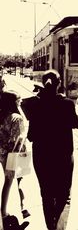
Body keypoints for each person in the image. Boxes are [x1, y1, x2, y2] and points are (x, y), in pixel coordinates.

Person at [21, 69, 78, 230]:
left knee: (46, 194)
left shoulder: (35, 104)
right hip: (63, 156)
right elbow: (77, 123)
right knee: (64, 196)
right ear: (59, 84)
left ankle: (51, 227)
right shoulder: (67, 104)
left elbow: (31, 136)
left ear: (43, 84)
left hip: (42, 157)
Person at [0, 91, 29, 220]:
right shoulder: (16, 118)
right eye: (18, 99)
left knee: (12, 180)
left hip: (3, 153)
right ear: (12, 101)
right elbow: (16, 140)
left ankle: (21, 207)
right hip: (16, 153)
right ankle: (5, 213)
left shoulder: (2, 115)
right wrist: (14, 160)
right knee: (15, 180)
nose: (20, 101)